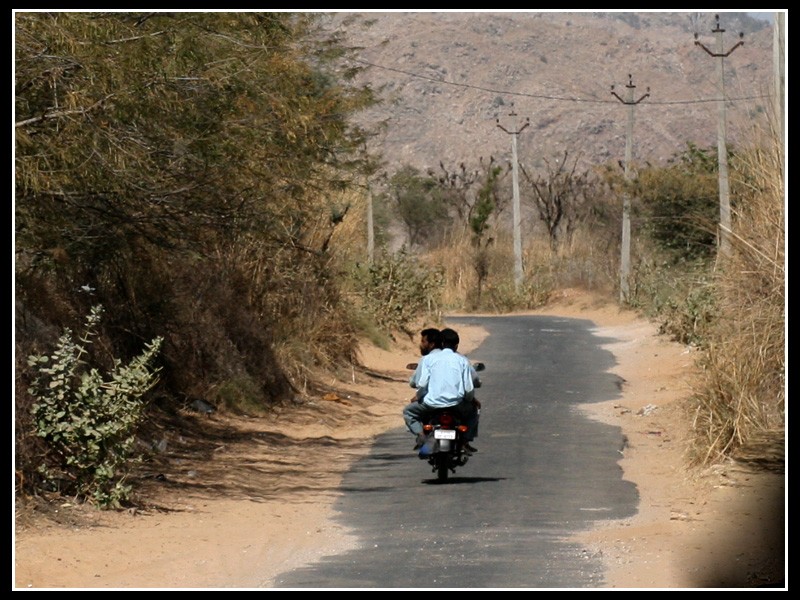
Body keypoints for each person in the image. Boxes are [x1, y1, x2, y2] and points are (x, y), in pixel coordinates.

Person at [403, 327, 480, 453]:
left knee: (408, 412)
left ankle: (421, 435)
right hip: (457, 404)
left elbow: (422, 383)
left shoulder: (428, 359)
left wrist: (419, 396)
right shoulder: (462, 360)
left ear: (441, 344)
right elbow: (468, 388)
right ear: (456, 345)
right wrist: (470, 400)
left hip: (431, 404)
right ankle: (465, 441)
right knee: (473, 412)